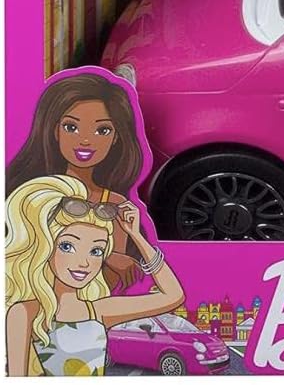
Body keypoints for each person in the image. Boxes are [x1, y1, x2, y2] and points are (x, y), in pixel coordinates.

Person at [5, 176, 184, 376]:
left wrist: (137, 236)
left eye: (96, 251)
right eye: (67, 246)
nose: (84, 263)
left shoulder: (98, 310)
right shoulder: (26, 312)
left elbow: (173, 296)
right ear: (45, 247)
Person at [7, 72, 145, 290]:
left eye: (102, 130)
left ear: (116, 137)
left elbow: (107, 286)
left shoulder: (115, 205)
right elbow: (20, 260)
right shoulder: (36, 193)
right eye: (71, 127)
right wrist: (107, 256)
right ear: (55, 130)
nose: (86, 140)